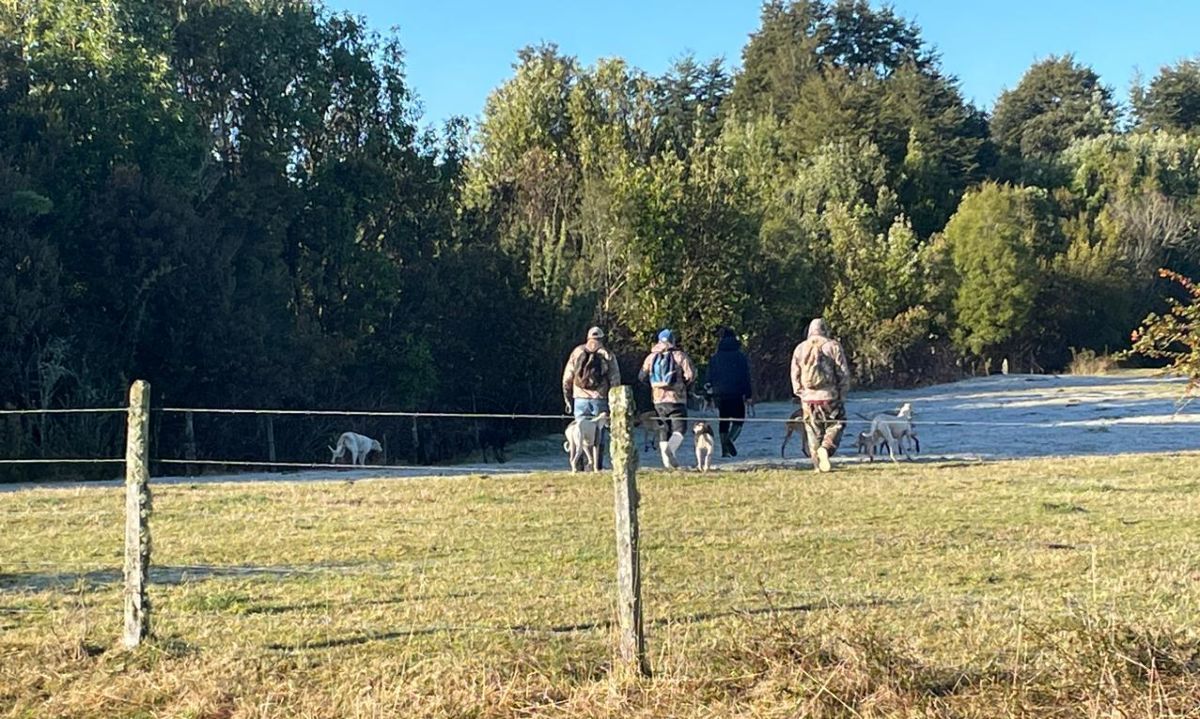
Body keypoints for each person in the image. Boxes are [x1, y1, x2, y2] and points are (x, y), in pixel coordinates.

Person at [790, 318, 851, 473]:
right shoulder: (833, 346)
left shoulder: (800, 348)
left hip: (808, 398)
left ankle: (817, 466)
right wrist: (842, 393)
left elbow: (794, 374)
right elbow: (843, 373)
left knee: (812, 431)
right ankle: (826, 449)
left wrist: (800, 393)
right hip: (830, 396)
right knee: (837, 424)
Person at [638, 329, 696, 469]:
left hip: (658, 400)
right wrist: (683, 386)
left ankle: (667, 464)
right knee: (679, 429)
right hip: (677, 399)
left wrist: (653, 388)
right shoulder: (679, 356)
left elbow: (641, 376)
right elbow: (691, 375)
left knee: (663, 429)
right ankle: (670, 449)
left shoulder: (651, 357)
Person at [706, 327, 753, 458]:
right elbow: (745, 377)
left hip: (720, 393)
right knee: (739, 419)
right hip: (736, 392)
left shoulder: (715, 357)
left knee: (723, 420)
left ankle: (724, 450)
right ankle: (730, 440)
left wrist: (709, 394)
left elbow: (709, 376)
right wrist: (748, 395)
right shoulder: (740, 357)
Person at [562, 326, 621, 420]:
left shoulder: (577, 352)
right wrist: (614, 402)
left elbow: (567, 378)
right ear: (602, 339)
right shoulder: (607, 354)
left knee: (581, 431)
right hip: (600, 398)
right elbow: (615, 379)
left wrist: (567, 399)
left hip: (580, 398)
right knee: (599, 431)